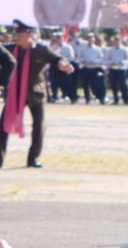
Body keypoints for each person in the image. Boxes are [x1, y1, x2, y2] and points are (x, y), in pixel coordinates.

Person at [0, 20, 76, 169]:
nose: (16, 36)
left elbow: (56, 59)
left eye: (20, 33)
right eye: (15, 33)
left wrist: (62, 64)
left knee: (39, 126)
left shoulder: (41, 50)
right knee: (3, 127)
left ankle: (33, 158)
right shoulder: (8, 49)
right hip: (14, 94)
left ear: (29, 35)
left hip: (35, 93)